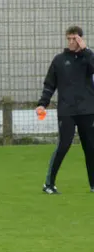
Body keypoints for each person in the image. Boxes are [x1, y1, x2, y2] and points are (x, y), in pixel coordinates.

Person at [37, 26, 94, 194]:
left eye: (74, 39)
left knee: (90, 148)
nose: (71, 42)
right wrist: (43, 103)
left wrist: (86, 50)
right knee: (63, 145)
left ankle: (93, 184)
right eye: (68, 39)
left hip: (87, 110)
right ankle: (49, 184)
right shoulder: (59, 60)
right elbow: (49, 85)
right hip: (66, 111)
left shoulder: (87, 59)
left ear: (80, 39)